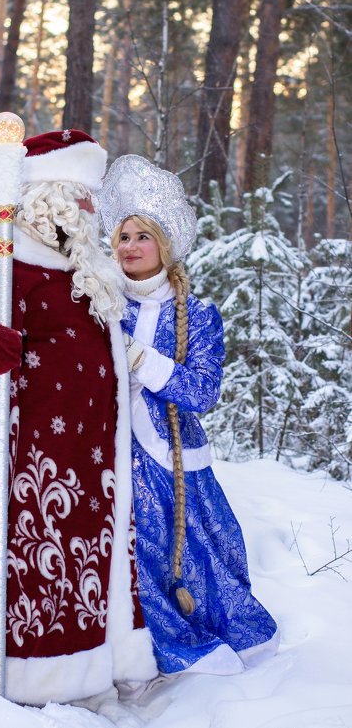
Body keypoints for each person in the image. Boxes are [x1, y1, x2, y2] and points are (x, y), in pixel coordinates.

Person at [0, 132, 158, 706]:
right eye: (79, 199)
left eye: (91, 201)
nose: (88, 213)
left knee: (89, 570)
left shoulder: (91, 272)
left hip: (95, 462)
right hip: (26, 460)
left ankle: (89, 672)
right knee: (32, 569)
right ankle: (23, 681)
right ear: (46, 196)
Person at [97, 154, 279, 679]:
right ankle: (152, 649)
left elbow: (201, 391)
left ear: (165, 244)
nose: (129, 247)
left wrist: (138, 358)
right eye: (122, 237)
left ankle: (226, 644)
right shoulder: (101, 302)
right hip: (111, 456)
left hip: (174, 462)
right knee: (133, 562)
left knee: (200, 558)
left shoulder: (197, 315)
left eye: (141, 237)